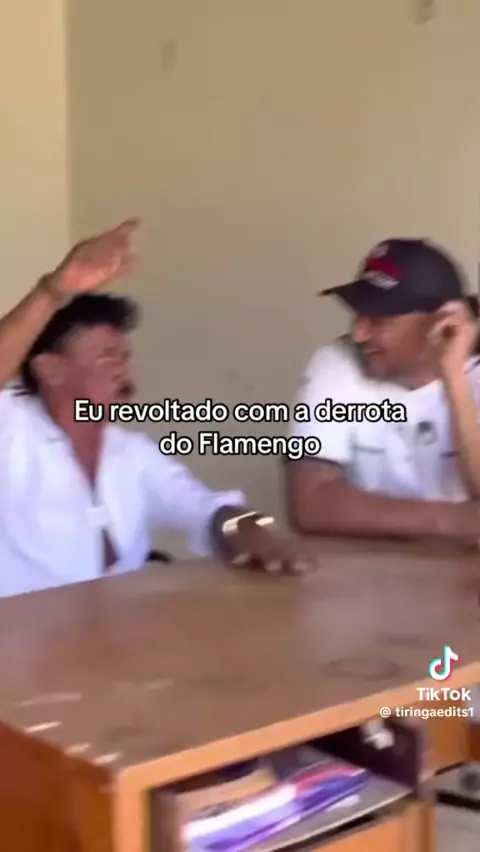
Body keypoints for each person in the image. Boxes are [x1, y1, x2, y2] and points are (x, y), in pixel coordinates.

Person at [0, 219, 305, 597]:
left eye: (124, 355)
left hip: (117, 630)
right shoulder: (11, 428)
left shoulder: (131, 452)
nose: (122, 368)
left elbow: (204, 510)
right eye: (105, 356)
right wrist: (53, 290)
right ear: (51, 370)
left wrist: (246, 529)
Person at [286, 237, 480, 545]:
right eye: (359, 315)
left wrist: (453, 376)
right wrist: (454, 521)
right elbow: (310, 504)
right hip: (367, 570)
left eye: (380, 320)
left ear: (442, 322)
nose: (358, 334)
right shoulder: (335, 363)